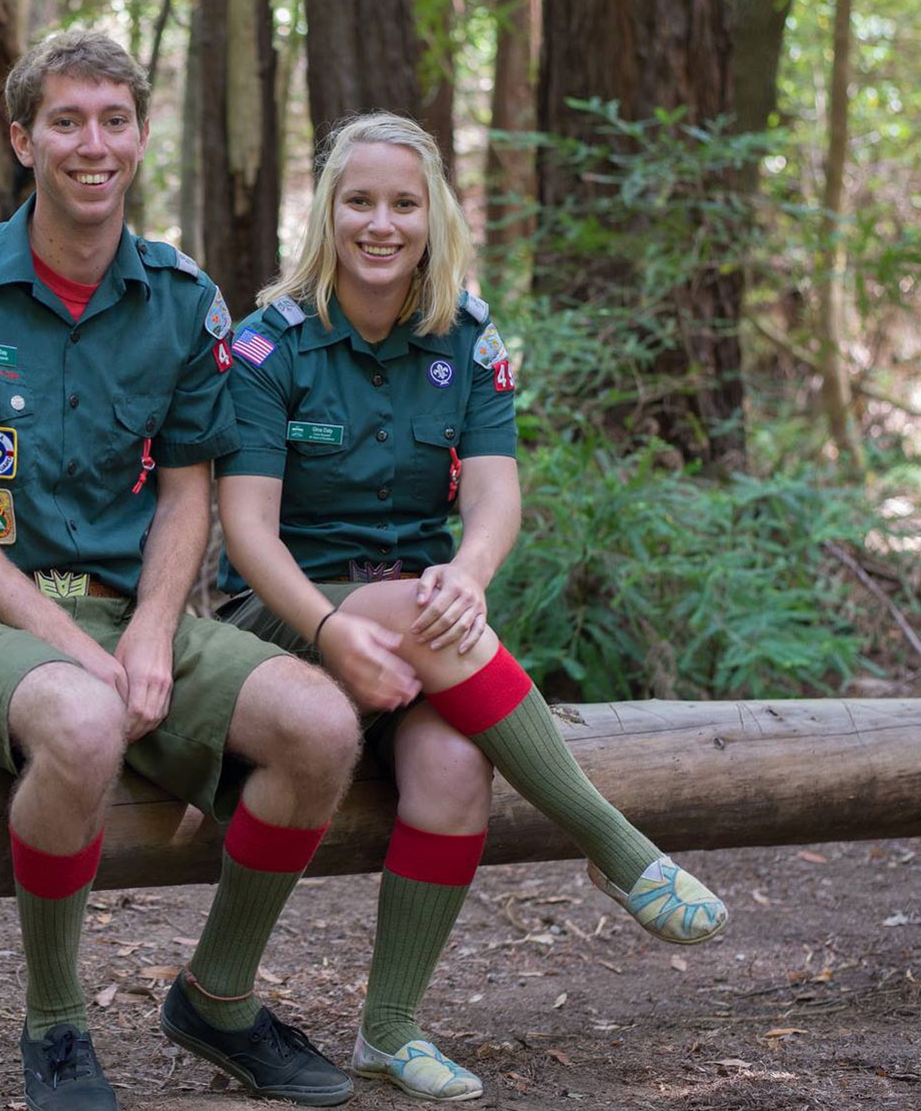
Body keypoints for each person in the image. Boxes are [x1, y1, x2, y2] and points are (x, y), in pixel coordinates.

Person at [0, 31, 362, 1111]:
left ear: (137, 134)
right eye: (68, 121)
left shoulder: (180, 298)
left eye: (114, 121)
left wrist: (144, 629)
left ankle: (216, 998)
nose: (94, 144)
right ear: (22, 138)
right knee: (82, 724)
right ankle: (56, 1023)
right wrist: (77, 647)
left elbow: (186, 489)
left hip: (143, 611)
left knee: (319, 727)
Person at [213, 112, 728, 1103]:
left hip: (417, 624)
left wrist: (471, 572)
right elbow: (246, 533)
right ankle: (613, 847)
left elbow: (492, 494)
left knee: (453, 765)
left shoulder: (465, 335)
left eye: (401, 203)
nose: (379, 223)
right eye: (358, 201)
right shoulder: (266, 345)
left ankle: (389, 1028)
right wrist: (332, 623)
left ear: (431, 213)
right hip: (280, 621)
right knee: (413, 605)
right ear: (326, 211)